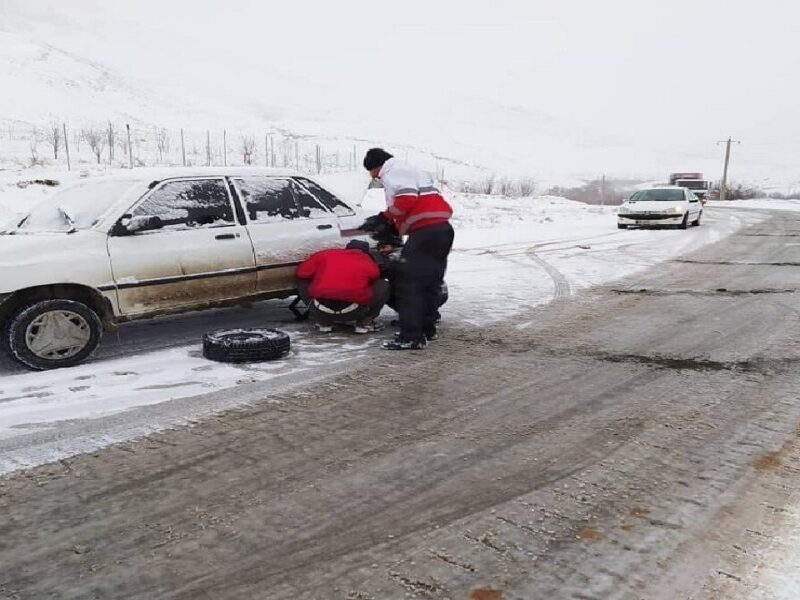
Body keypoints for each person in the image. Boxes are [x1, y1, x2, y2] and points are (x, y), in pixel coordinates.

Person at [361, 148, 454, 350]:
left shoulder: (392, 172)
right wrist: (393, 224)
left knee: (408, 284)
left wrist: (383, 218)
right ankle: (426, 329)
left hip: (425, 233)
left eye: (372, 172)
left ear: (376, 166)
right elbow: (419, 204)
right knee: (430, 282)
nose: (374, 177)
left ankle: (411, 336)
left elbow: (407, 199)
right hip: (442, 230)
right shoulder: (413, 171)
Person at [296, 240, 390, 333]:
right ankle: (364, 323)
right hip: (355, 312)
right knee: (383, 284)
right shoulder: (368, 261)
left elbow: (301, 272)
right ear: (366, 252)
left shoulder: (326, 254)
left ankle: (323, 322)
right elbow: (375, 276)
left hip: (320, 310)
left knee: (303, 281)